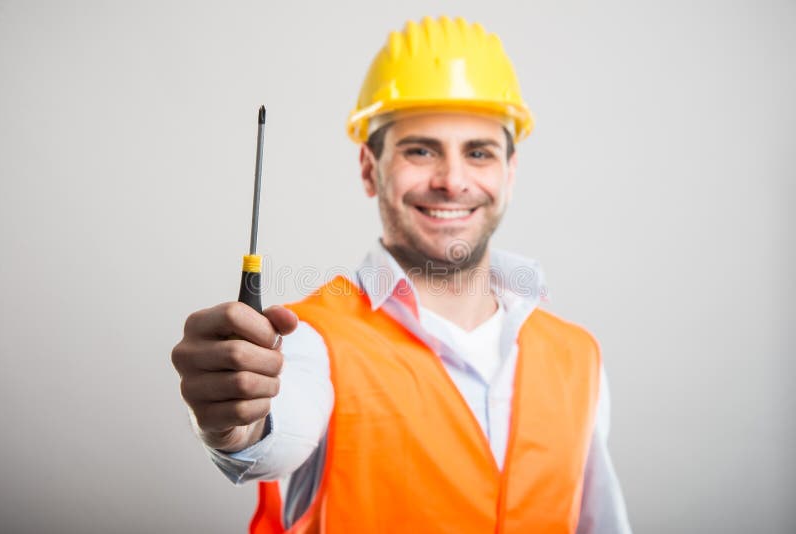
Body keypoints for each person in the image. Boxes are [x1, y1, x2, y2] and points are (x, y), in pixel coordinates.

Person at [172, 16, 632, 534]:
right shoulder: (308, 342)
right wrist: (234, 418)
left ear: (510, 172)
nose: (452, 181)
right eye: (420, 150)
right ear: (370, 168)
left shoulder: (577, 356)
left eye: (478, 153)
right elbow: (268, 437)